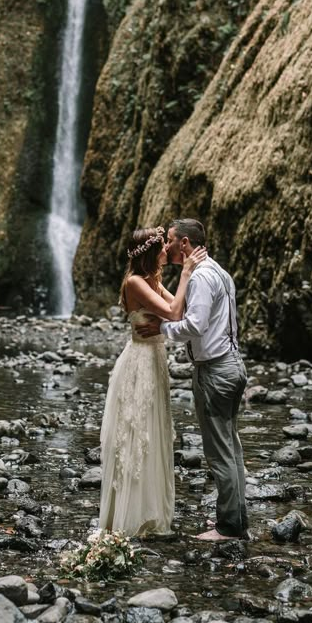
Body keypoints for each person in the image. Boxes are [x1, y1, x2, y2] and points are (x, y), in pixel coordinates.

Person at [136, 218, 248, 542]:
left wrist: (161, 329)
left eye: (170, 240)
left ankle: (228, 528)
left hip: (215, 372)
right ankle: (238, 522)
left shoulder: (200, 277)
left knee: (219, 452)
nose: (165, 246)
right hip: (233, 366)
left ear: (184, 243)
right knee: (233, 448)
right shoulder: (221, 274)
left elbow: (195, 325)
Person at [99, 226, 206, 537]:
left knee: (153, 432)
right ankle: (129, 516)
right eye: (161, 247)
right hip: (139, 364)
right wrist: (186, 273)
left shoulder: (152, 281)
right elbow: (175, 313)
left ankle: (149, 511)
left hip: (154, 361)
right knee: (136, 433)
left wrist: (163, 320)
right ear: (148, 253)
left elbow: (181, 311)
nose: (167, 252)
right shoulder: (134, 282)